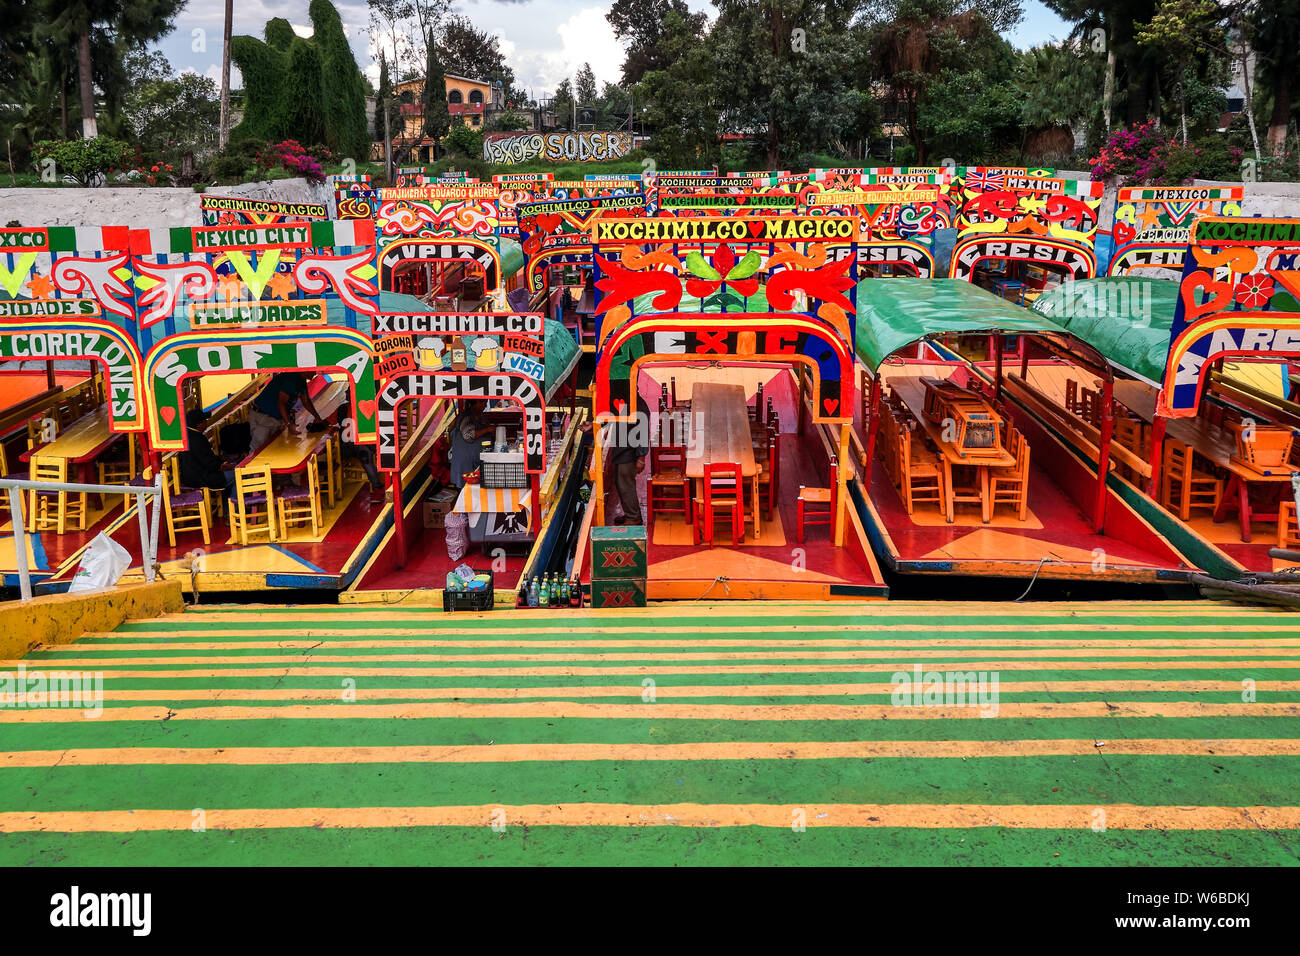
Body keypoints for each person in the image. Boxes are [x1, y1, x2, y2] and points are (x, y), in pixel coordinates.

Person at [248, 372, 325, 451]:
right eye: (313, 371)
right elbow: (281, 403)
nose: (315, 373)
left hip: (272, 418)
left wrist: (317, 417)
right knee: (258, 450)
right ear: (305, 370)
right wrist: (289, 424)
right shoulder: (291, 379)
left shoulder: (301, 381)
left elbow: (306, 401)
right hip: (262, 417)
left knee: (272, 449)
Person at [608, 394, 650, 525]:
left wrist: (641, 458)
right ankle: (629, 514)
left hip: (629, 452)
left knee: (626, 485)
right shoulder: (624, 402)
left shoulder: (638, 405)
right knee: (621, 483)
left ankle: (633, 517)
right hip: (621, 449)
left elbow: (643, 432)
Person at [332, 398, 385, 502]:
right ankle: (329, 484)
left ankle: (377, 488)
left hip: (363, 444)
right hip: (346, 444)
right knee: (330, 456)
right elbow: (331, 422)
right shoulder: (343, 408)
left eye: (349, 390)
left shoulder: (368, 407)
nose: (346, 392)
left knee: (365, 456)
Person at [178, 409, 234, 501]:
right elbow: (209, 463)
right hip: (201, 478)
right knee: (236, 476)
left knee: (230, 475)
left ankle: (227, 507)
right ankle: (233, 509)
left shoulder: (186, 436)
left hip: (189, 477)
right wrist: (222, 465)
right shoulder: (197, 439)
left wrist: (221, 463)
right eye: (205, 421)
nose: (206, 422)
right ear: (199, 424)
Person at [448, 399, 495, 488]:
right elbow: (468, 436)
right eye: (483, 402)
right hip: (465, 462)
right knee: (465, 488)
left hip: (475, 460)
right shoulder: (466, 417)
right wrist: (488, 429)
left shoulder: (479, 416)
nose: (485, 405)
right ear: (476, 402)